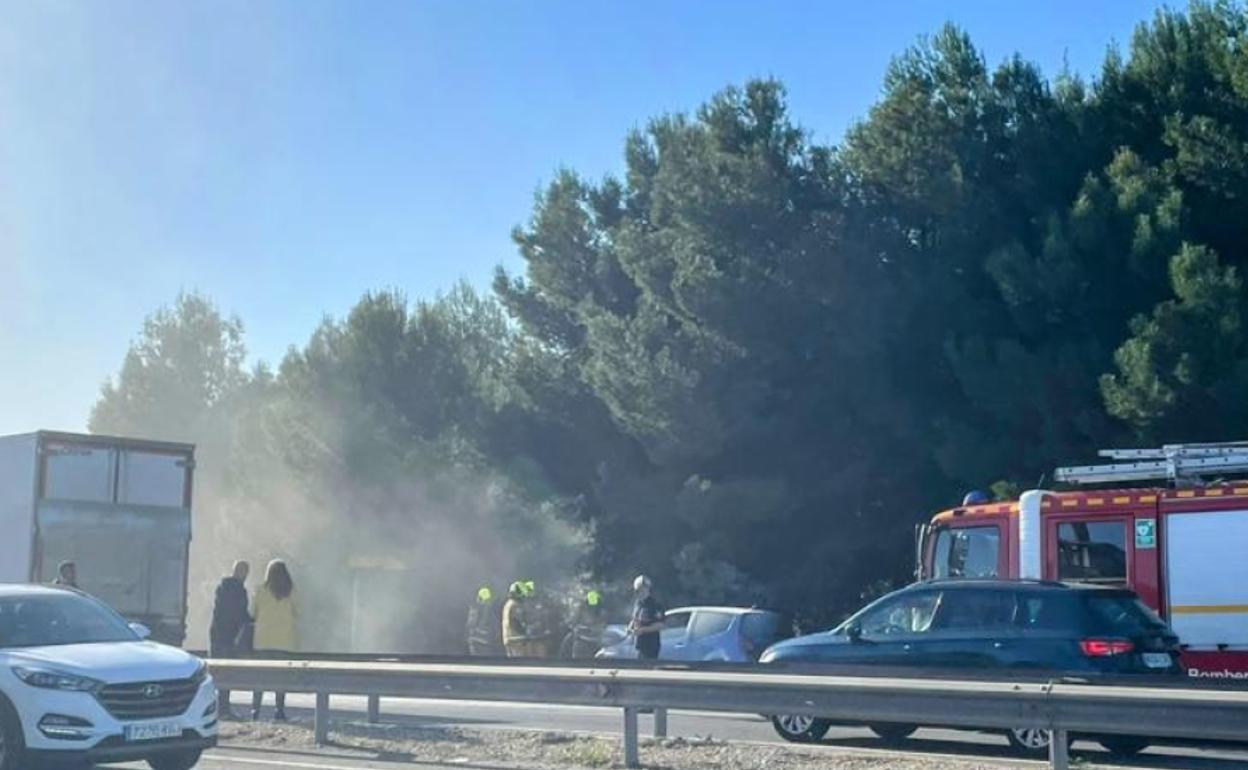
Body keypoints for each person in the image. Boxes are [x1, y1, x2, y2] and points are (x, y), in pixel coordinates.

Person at [251, 560, 297, 721]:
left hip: (263, 641)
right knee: (280, 678)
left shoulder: (260, 590)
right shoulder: (291, 591)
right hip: (284, 641)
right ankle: (279, 710)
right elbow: (298, 612)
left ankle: (255, 710)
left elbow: (252, 612)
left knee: (260, 677)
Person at [209, 560, 252, 719]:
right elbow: (240, 614)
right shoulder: (240, 591)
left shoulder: (221, 587)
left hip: (216, 635)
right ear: (242, 573)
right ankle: (224, 709)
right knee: (227, 675)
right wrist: (252, 621)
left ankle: (219, 708)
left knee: (218, 675)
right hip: (230, 637)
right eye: (245, 572)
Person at [560, 589, 606, 659]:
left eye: (596, 609)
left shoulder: (603, 614)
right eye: (589, 608)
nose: (592, 610)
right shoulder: (571, 639)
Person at [630, 575, 664, 661]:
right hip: (639, 645)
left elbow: (659, 625)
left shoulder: (655, 605)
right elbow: (634, 619)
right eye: (638, 590)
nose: (641, 592)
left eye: (643, 589)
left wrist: (642, 630)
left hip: (650, 646)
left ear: (648, 589)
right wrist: (630, 628)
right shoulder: (638, 604)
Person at [466, 586, 503, 656]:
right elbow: (496, 628)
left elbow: (469, 625)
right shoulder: (491, 612)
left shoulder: (474, 610)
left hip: (475, 641)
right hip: (486, 642)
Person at [502, 581, 531, 658]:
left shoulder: (508, 604)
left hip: (509, 639)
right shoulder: (515, 605)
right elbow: (516, 622)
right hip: (516, 640)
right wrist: (525, 631)